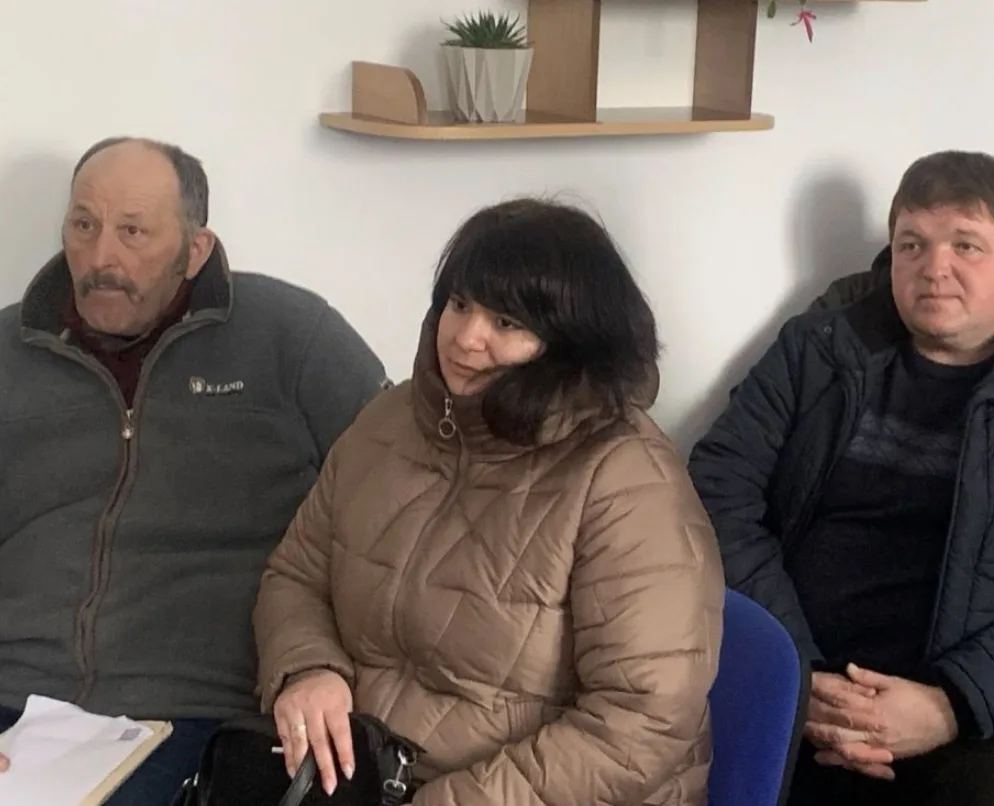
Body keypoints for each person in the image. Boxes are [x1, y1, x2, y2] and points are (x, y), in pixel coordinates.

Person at [0, 137, 388, 805]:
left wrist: (317, 664)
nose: (101, 258)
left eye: (133, 232)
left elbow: (394, 502)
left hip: (193, 713)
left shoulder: (293, 339)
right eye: (83, 225)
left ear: (194, 250)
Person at [688, 150, 994, 806]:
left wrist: (951, 705)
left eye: (965, 245)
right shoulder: (815, 352)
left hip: (986, 713)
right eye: (912, 244)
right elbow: (714, 494)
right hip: (804, 676)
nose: (934, 268)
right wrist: (798, 674)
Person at [253, 198, 724, 806]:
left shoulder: (628, 480)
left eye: (505, 322)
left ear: (571, 342)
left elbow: (641, 724)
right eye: (459, 304)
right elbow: (295, 574)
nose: (466, 338)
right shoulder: (387, 422)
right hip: (364, 775)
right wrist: (307, 667)